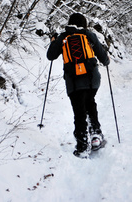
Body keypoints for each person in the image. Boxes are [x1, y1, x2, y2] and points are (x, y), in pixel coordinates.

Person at [47, 13, 110, 157]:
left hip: (73, 81)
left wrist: (53, 41)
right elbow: (103, 58)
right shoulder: (88, 35)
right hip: (91, 78)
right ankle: (95, 136)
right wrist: (106, 60)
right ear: (84, 24)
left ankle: (82, 146)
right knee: (90, 103)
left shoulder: (63, 37)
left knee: (79, 111)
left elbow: (51, 56)